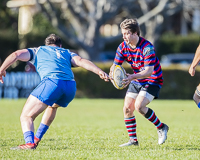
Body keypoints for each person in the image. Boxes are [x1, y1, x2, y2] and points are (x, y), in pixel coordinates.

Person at [0, 34, 109, 150]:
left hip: (52, 83)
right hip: (70, 86)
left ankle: (29, 144)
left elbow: (15, 55)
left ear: (46, 44)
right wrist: (99, 72)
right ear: (60, 45)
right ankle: (36, 138)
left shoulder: (38, 50)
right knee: (52, 106)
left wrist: (2, 69)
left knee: (26, 116)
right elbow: (81, 61)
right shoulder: (67, 52)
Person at [109, 19, 169, 147]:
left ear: (136, 33)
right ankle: (133, 141)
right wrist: (112, 75)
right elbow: (115, 66)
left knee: (139, 106)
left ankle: (162, 127)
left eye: (127, 33)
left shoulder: (147, 47)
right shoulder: (122, 47)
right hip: (136, 79)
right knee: (127, 109)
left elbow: (149, 71)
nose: (124, 36)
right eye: (123, 34)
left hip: (153, 80)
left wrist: (132, 77)